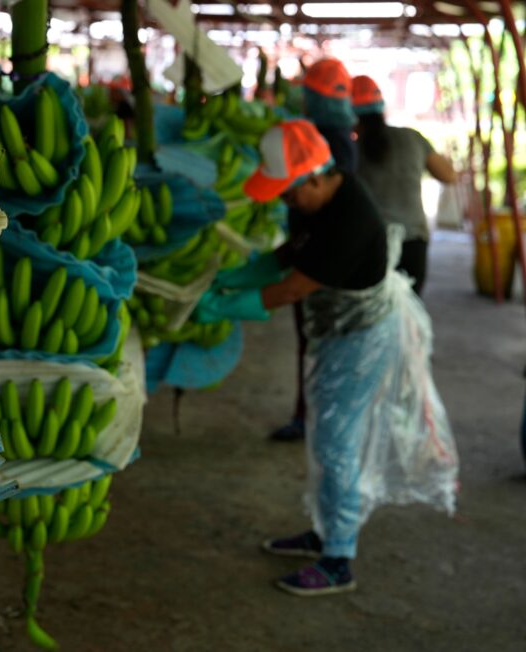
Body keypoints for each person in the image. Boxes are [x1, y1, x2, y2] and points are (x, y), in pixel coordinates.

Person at [194, 120, 458, 596]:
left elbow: (293, 288)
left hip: (364, 339)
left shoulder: (350, 217)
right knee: (325, 434)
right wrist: (240, 275)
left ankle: (339, 557)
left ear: (315, 178)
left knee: (339, 442)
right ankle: (323, 531)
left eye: (290, 194)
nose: (286, 203)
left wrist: (226, 305)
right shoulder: (315, 203)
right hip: (336, 332)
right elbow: (290, 254)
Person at [271, 58, 358, 443]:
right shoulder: (342, 136)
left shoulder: (325, 145)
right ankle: (314, 416)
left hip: (321, 261)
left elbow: (317, 217)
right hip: (317, 254)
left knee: (316, 343)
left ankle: (310, 417)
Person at [352, 75, 457, 295]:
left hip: (370, 245)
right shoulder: (412, 138)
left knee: (371, 315)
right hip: (413, 241)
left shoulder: (350, 150)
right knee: (409, 314)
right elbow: (448, 176)